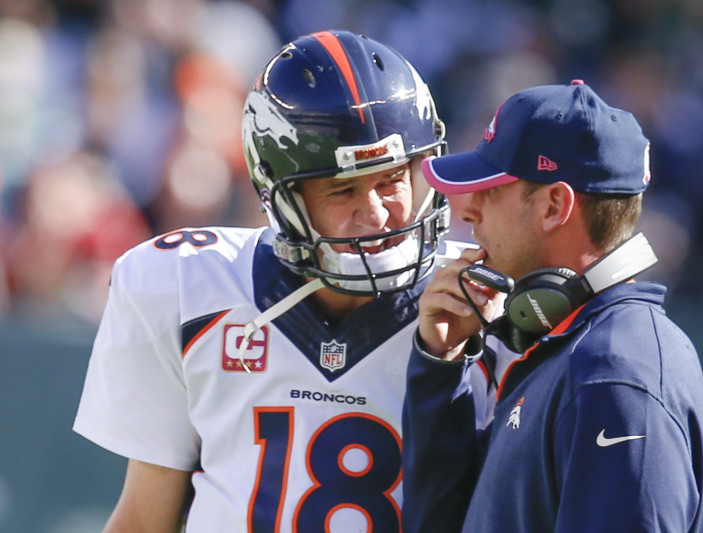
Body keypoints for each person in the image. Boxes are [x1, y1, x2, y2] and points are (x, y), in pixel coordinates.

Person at [73, 29, 473, 532]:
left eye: (392, 180)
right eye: (342, 189)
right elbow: (145, 518)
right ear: (283, 200)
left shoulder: (476, 307)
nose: (376, 214)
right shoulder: (185, 286)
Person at [402, 80, 703, 532]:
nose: (467, 210)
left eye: (490, 189)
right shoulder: (575, 351)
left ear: (553, 205)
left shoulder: (614, 373)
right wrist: (442, 366)